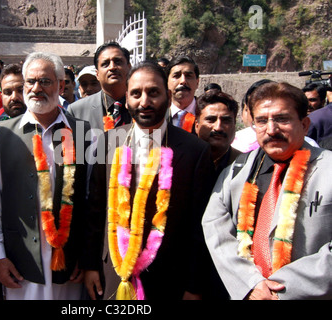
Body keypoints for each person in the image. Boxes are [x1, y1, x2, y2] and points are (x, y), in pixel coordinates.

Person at [82, 61, 216, 300]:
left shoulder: (194, 151)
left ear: (167, 93)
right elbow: (95, 210)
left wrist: (193, 286)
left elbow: (200, 226)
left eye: (153, 92)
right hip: (113, 271)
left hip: (169, 278)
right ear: (127, 99)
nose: (144, 102)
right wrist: (91, 265)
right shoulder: (108, 141)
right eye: (136, 93)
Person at [202, 81, 332, 300]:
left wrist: (281, 290)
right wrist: (250, 284)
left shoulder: (327, 169)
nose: (271, 130)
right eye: (262, 121)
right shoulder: (237, 171)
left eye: (282, 119)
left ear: (305, 124)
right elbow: (215, 228)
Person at [0, 51, 90, 300]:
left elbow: (89, 201)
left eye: (45, 81)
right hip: (20, 266)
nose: (36, 88)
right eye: (30, 82)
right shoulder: (2, 135)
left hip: (68, 264)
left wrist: (86, 255)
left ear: (61, 85)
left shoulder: (84, 134)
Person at [67, 41, 132, 132]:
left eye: (118, 62)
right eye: (105, 64)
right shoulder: (77, 111)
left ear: (129, 68)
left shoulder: (145, 106)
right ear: (97, 74)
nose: (112, 67)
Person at [195, 91, 242, 179]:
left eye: (226, 120)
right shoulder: (182, 160)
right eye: (211, 120)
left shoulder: (246, 165)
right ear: (197, 125)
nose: (218, 127)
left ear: (234, 124)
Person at [166, 55, 199, 133]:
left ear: (197, 82)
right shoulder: (157, 116)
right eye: (176, 76)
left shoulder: (206, 114)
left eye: (188, 76)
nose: (183, 81)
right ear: (167, 82)